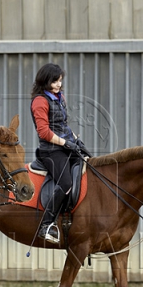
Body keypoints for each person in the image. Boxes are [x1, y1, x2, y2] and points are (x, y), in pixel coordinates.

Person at [30, 63, 91, 243]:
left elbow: (63, 124)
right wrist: (66, 143)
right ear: (45, 80)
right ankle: (46, 224)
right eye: (55, 81)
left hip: (66, 146)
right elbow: (44, 132)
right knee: (65, 183)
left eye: (60, 81)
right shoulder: (40, 101)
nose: (58, 84)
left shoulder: (59, 97)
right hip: (51, 151)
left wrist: (75, 140)